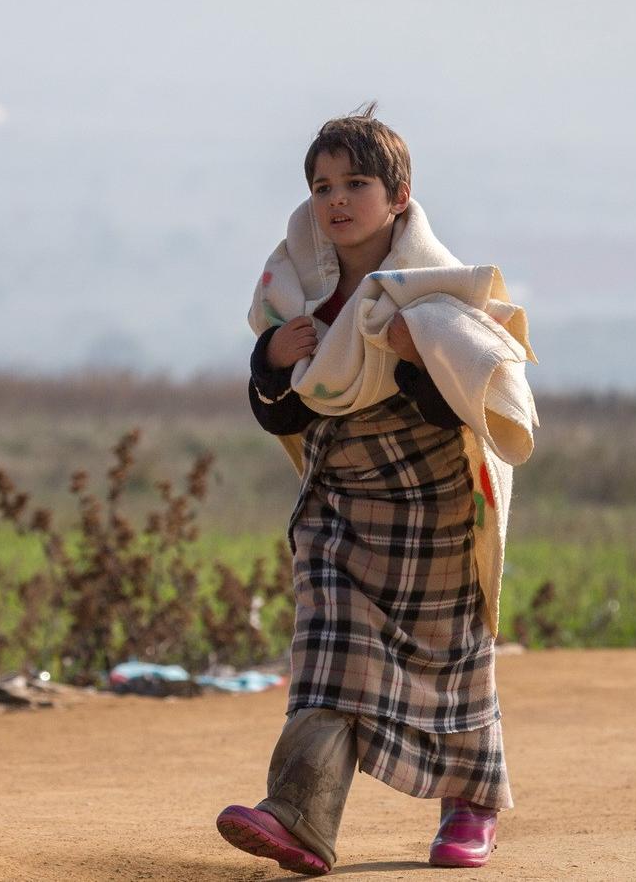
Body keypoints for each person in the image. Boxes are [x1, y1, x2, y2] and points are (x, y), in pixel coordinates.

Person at [216, 106, 514, 875]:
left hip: (436, 502)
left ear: (399, 195)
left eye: (356, 183)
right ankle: (299, 816)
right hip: (338, 496)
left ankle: (471, 803)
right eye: (322, 186)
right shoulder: (293, 293)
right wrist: (270, 362)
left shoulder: (436, 300)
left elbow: (475, 407)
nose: (336, 200)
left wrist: (422, 356)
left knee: (450, 656)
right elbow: (280, 412)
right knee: (327, 644)